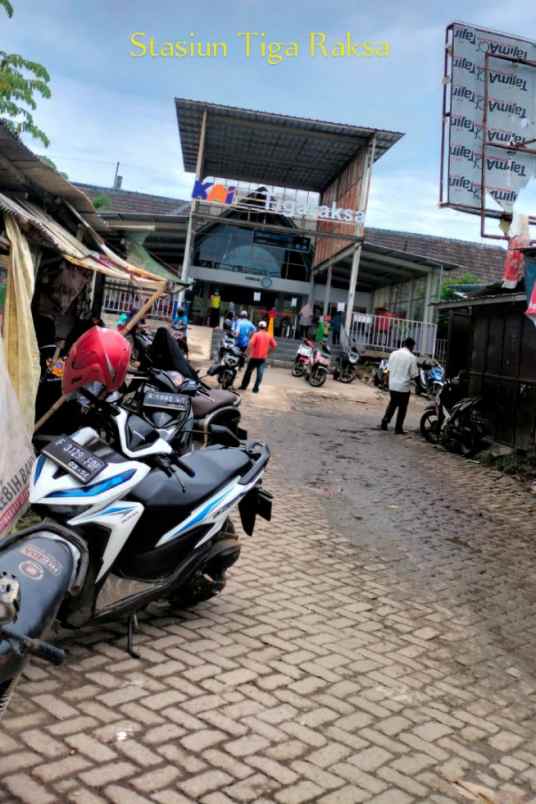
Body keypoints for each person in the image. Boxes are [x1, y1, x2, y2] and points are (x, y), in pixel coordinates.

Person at [381, 338, 419, 435]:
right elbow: (414, 375)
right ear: (411, 346)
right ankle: (398, 428)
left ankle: (385, 421)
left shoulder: (393, 353)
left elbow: (387, 370)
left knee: (393, 403)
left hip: (392, 385)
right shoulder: (412, 357)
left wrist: (385, 381)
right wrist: (420, 386)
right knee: (402, 407)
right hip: (403, 387)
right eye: (413, 347)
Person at [239, 321, 277, 393]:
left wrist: (246, 352)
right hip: (262, 358)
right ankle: (255, 388)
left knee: (248, 372)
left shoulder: (256, 335)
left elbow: (250, 344)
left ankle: (244, 386)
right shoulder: (269, 335)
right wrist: (268, 352)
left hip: (254, 357)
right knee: (260, 374)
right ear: (265, 327)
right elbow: (274, 346)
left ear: (259, 327)